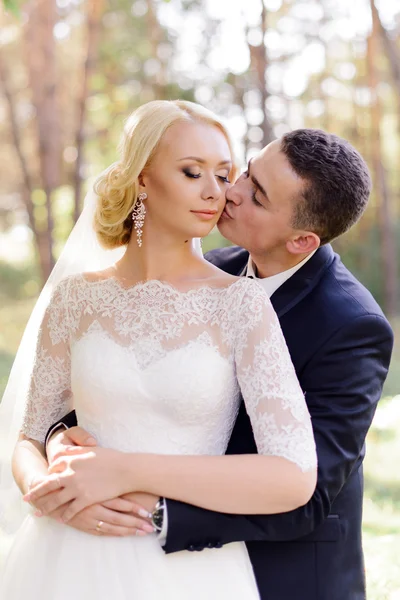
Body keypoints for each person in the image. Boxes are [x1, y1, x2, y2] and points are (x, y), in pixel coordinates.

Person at [44, 127, 393, 600]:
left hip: (281, 576)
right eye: (248, 172)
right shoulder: (210, 272)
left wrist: (143, 503)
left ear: (301, 241)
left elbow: (307, 496)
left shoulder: (351, 327)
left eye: (259, 197)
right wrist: (62, 438)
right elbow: (131, 377)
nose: (231, 192)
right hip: (133, 561)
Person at [0, 100, 317, 600]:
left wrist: (123, 473)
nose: (216, 192)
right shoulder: (76, 296)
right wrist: (51, 493)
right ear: (143, 179)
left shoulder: (241, 305)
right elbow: (29, 437)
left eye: (223, 173)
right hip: (61, 555)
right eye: (193, 172)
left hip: (187, 569)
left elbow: (294, 476)